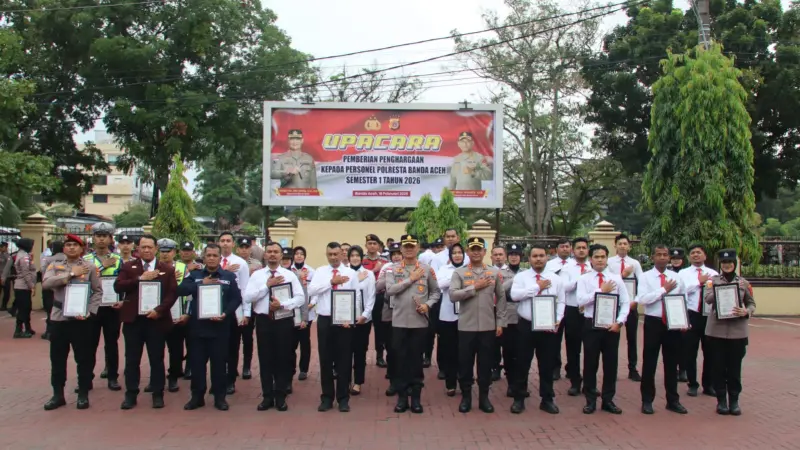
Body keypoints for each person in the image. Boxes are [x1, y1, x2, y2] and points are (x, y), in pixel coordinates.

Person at [113, 234, 179, 410]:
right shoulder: (129, 266)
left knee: (156, 358)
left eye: (150, 247)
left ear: (156, 249)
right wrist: (140, 278)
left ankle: (158, 393)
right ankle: (131, 394)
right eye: (143, 247)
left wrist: (159, 310)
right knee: (132, 359)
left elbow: (172, 294)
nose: (147, 250)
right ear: (138, 249)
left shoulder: (166, 269)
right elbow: (118, 286)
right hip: (133, 320)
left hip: (156, 320)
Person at [178, 243, 243, 411]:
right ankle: (197, 397)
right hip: (197, 328)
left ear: (220, 258)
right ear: (204, 258)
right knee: (197, 364)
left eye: (215, 255)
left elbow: (236, 299)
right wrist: (201, 284)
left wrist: (225, 313)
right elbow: (182, 290)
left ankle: (219, 398)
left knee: (219, 365)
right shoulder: (195, 275)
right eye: (209, 255)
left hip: (220, 327)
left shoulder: (228, 276)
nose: (212, 258)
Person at [41, 234, 102, 410]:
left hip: (81, 319)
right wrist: (69, 275)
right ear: (64, 248)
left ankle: (83, 394)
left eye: (75, 245)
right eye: (68, 245)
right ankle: (57, 395)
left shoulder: (89, 267)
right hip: (59, 317)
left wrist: (90, 311)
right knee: (57, 358)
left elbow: (97, 291)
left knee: (83, 358)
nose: (71, 248)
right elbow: (46, 283)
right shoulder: (55, 265)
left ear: (82, 249)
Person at [245, 242, 305, 411]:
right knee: (265, 359)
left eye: (276, 252)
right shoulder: (257, 276)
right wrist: (267, 286)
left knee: (282, 358)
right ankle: (267, 396)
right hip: (264, 321)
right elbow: (248, 297)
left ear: (281, 256)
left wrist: (283, 305)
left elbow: (300, 298)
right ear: (265, 255)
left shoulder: (289, 275)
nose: (272, 254)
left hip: (283, 320)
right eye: (269, 252)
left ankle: (280, 396)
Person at [384, 234, 441, 413]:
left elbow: (436, 293)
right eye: (406, 246)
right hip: (400, 323)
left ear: (418, 249)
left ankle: (415, 397)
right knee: (400, 361)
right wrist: (411, 279)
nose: (409, 249)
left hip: (419, 323)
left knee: (416, 361)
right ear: (401, 249)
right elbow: (390, 290)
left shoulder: (427, 269)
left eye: (412, 246)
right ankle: (402, 398)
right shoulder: (393, 269)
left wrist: (428, 305)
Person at [450, 237, 506, 413]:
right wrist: (475, 286)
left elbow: (502, 298)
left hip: (488, 327)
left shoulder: (494, 273)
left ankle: (484, 398)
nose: (475, 252)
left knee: (485, 364)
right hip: (466, 327)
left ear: (484, 252)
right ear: (467, 251)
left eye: (479, 249)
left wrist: (501, 322)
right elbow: (453, 295)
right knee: (465, 364)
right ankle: (466, 397)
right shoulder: (459, 273)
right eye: (472, 249)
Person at [509, 243, 565, 415]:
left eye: (541, 256)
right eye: (535, 256)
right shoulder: (522, 277)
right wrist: (537, 288)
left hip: (548, 326)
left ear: (547, 257)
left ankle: (547, 399)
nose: (538, 259)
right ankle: (519, 399)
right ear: (529, 258)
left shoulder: (556, 279)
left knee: (547, 364)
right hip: (526, 326)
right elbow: (515, 295)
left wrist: (557, 319)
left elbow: (561, 301)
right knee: (522, 363)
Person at [577, 244, 631, 414]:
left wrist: (620, 322)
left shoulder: (616, 279)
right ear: (590, 259)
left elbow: (626, 303)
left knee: (610, 364)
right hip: (591, 325)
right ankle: (590, 400)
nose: (600, 260)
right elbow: (580, 301)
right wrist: (600, 290)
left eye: (603, 257)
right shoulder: (584, 279)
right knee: (590, 363)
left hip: (611, 327)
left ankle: (608, 399)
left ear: (607, 258)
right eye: (596, 257)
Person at [307, 242, 360, 412]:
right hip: (325, 320)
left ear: (342, 254)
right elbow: (311, 291)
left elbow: (357, 297)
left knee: (344, 360)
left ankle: (343, 398)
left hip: (344, 321)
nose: (333, 257)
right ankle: (327, 397)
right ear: (326, 254)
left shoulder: (351, 273)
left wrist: (351, 319)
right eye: (330, 254)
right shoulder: (321, 272)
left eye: (336, 254)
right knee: (325, 360)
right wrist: (331, 282)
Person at [636, 245, 688, 415]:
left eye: (665, 255)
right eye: (659, 255)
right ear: (653, 257)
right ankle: (647, 400)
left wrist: (684, 319)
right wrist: (663, 290)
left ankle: (672, 400)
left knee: (672, 363)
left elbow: (683, 299)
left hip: (672, 323)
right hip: (654, 322)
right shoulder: (645, 277)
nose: (663, 258)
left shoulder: (676, 277)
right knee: (649, 362)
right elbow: (643, 299)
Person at [704, 249, 755, 416]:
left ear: (734, 264)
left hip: (737, 332)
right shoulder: (713, 281)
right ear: (721, 264)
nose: (727, 266)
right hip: (716, 331)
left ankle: (734, 400)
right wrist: (722, 288)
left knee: (734, 368)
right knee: (718, 368)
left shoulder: (744, 283)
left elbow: (752, 304)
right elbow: (708, 299)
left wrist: (746, 311)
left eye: (730, 263)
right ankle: (721, 401)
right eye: (724, 263)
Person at [85, 222, 123, 391]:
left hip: (112, 307)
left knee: (112, 344)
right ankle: (86, 378)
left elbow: (123, 282)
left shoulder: (118, 260)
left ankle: (112, 377)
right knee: (88, 344)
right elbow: (81, 278)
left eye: (104, 236)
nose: (101, 239)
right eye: (98, 236)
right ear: (93, 238)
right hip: (92, 307)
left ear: (110, 239)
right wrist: (102, 266)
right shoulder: (85, 260)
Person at [679, 244, 718, 397]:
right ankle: (692, 383)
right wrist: (698, 282)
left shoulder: (713, 273)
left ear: (704, 256)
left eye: (699, 252)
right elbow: (680, 291)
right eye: (693, 253)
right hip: (691, 314)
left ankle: (708, 384)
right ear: (689, 257)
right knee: (690, 351)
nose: (696, 255)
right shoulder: (683, 273)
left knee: (710, 352)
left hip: (709, 316)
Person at [607, 234, 644, 382]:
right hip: (614, 304)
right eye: (620, 243)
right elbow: (609, 282)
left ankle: (632, 368)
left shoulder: (635, 263)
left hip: (631, 304)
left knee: (632, 338)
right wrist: (622, 275)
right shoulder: (609, 262)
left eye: (625, 244)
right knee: (612, 337)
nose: (623, 246)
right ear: (615, 245)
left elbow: (642, 283)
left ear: (629, 246)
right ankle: (612, 368)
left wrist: (636, 301)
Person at [217, 231, 251, 395]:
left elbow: (245, 288)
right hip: (214, 309)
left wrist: (246, 312)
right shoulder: (212, 261)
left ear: (233, 244)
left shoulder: (240, 263)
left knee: (232, 347)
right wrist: (224, 271)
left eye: (228, 241)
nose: (225, 243)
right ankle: (217, 380)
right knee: (216, 349)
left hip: (233, 310)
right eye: (222, 240)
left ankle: (230, 380)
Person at [558, 237, 591, 396]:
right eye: (578, 248)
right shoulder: (568, 268)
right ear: (573, 250)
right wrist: (581, 277)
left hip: (591, 311)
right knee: (573, 348)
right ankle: (575, 382)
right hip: (572, 310)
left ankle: (590, 383)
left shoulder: (595, 266)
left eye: (584, 247)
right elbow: (564, 287)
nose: (581, 250)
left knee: (591, 348)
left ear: (588, 250)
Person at [435, 243, 465, 397]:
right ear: (450, 256)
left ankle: (465, 379)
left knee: (464, 351)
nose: (457, 255)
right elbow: (438, 286)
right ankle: (450, 383)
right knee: (450, 350)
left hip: (466, 316)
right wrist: (455, 276)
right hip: (447, 315)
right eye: (455, 253)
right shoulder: (444, 270)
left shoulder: (469, 269)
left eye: (460, 252)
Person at [346, 246, 376, 396]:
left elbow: (371, 296)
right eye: (352, 255)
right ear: (348, 257)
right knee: (345, 351)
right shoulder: (344, 273)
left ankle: (358, 382)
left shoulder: (369, 274)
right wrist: (356, 280)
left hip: (363, 319)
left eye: (358, 255)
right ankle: (345, 380)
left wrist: (365, 314)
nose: (355, 258)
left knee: (359, 351)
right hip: (346, 319)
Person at [376, 242, 402, 396]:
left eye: (399, 253)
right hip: (389, 309)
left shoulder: (411, 268)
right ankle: (393, 379)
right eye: (394, 254)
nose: (397, 256)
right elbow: (377, 287)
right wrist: (388, 277)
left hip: (407, 309)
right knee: (392, 346)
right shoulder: (387, 268)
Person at [237, 237, 262, 380]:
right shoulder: (233, 263)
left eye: (247, 247)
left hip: (251, 306)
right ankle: (232, 367)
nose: (244, 250)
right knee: (233, 337)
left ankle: (246, 366)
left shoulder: (257, 264)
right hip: (235, 305)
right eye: (242, 247)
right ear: (238, 249)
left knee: (247, 337)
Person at [361, 234, 388, 368]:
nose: (372, 246)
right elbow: (359, 277)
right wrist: (374, 270)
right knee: (364, 328)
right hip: (365, 298)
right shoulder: (361, 260)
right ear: (366, 245)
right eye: (369, 243)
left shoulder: (385, 260)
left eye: (374, 243)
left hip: (380, 297)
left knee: (380, 328)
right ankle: (362, 355)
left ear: (378, 246)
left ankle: (379, 356)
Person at [290, 246, 314, 381]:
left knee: (305, 342)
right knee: (291, 342)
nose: (299, 256)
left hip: (307, 311)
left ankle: (303, 369)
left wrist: (312, 304)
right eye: (296, 254)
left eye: (301, 254)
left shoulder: (311, 271)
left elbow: (314, 291)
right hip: (292, 312)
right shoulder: (289, 271)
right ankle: (291, 368)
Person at [40, 241, 65, 341]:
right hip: (62, 287)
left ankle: (49, 331)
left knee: (49, 309)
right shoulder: (66, 258)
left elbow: (43, 270)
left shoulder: (47, 259)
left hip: (49, 288)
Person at [12, 238, 36, 338]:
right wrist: (32, 286)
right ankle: (18, 330)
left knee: (26, 308)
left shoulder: (24, 255)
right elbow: (26, 273)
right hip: (23, 286)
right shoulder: (23, 257)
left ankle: (27, 327)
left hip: (23, 286)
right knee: (23, 309)